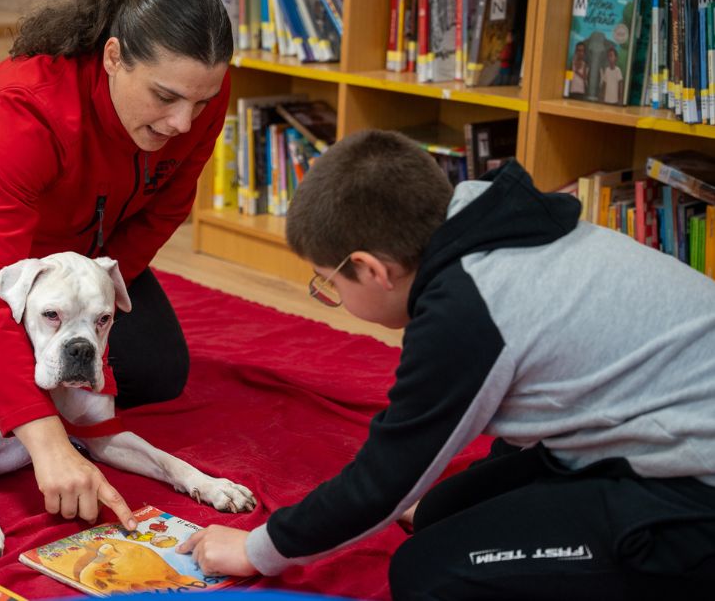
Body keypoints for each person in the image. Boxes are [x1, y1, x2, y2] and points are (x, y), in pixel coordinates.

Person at [179, 129, 715, 599]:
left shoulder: (466, 310)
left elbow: (384, 479)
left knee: (426, 573)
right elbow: (541, 397)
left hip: (692, 500)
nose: (328, 292)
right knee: (438, 511)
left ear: (371, 270)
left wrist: (256, 549)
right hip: (648, 438)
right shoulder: (490, 222)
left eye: (329, 281)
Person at [0, 0, 232, 531]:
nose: (183, 123)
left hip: (82, 251)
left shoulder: (196, 92)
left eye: (200, 102)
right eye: (165, 98)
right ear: (113, 57)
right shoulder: (24, 107)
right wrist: (51, 447)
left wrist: (94, 287)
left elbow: (165, 209)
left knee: (156, 371)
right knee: (23, 361)